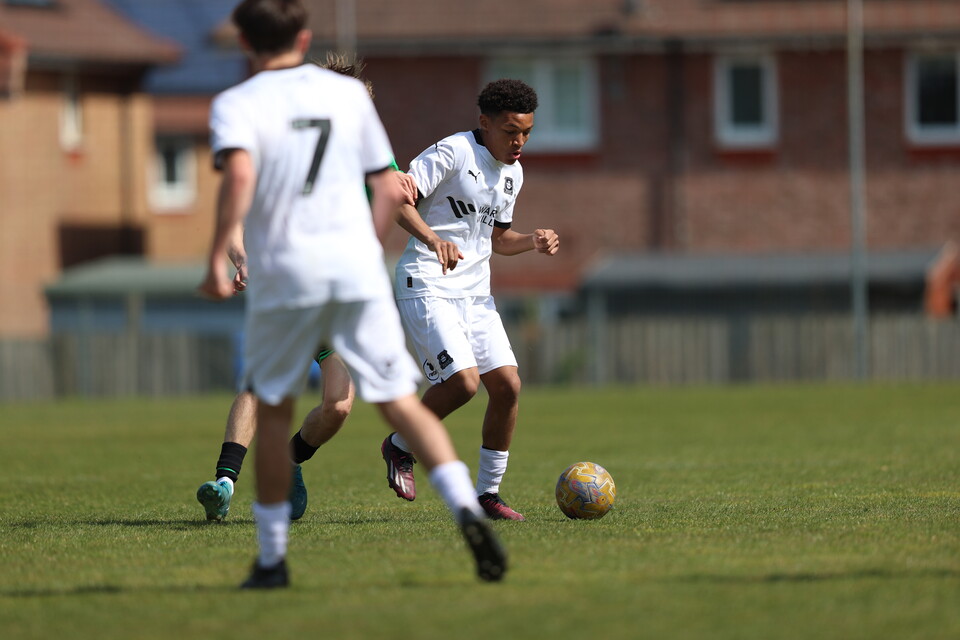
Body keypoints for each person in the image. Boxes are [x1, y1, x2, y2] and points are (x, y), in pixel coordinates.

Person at [198, 0, 506, 589]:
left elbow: (238, 182)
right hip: (354, 272)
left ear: (244, 44)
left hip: (289, 274)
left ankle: (270, 560)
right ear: (305, 36)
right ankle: (467, 510)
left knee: (276, 400)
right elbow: (390, 190)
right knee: (399, 403)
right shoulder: (351, 102)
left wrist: (223, 255)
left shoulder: (240, 105)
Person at [195, 52, 415, 524]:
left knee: (337, 406)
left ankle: (291, 462)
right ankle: (226, 482)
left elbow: (396, 202)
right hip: (291, 283)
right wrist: (242, 257)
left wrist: (435, 237)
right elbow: (233, 210)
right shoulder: (280, 146)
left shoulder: (369, 151)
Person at [383, 78, 559, 521]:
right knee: (462, 384)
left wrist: (532, 241)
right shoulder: (453, 152)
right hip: (427, 283)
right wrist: (431, 238)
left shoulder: (513, 173)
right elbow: (395, 199)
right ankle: (400, 446)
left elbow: (499, 239)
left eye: (527, 132)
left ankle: (488, 494)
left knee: (507, 386)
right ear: (484, 123)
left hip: (475, 294)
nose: (519, 141)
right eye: (510, 131)